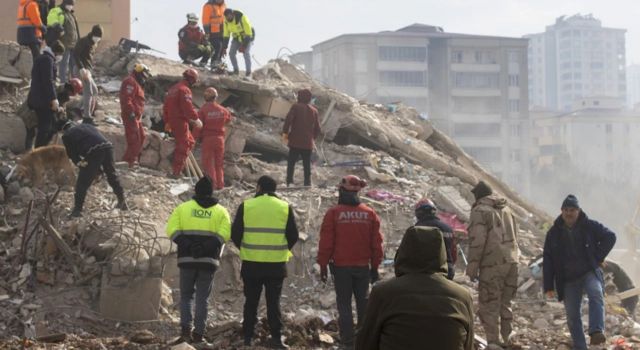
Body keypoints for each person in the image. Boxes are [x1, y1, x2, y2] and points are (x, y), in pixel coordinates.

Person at [355, 225, 474, 350]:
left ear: (403, 253)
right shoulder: (462, 296)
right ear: (442, 254)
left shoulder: (383, 293)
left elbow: (365, 343)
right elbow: (468, 346)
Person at [231, 175, 299, 349]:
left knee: (251, 301)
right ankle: (276, 338)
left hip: (251, 264)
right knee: (273, 302)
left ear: (259, 187)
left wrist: (246, 248)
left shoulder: (246, 206)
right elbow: (293, 236)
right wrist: (281, 249)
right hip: (275, 265)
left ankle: (247, 337)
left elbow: (235, 234)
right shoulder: (285, 207)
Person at [317, 175, 383, 349]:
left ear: (342, 191)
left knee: (344, 305)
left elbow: (326, 243)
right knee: (363, 305)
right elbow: (377, 245)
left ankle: (348, 342)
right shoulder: (369, 213)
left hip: (341, 268)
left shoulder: (333, 213)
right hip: (362, 268)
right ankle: (363, 341)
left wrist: (323, 265)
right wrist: (375, 267)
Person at [543, 195, 616, 349]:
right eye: (566, 210)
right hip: (568, 279)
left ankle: (596, 331)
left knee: (596, 293)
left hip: (589, 272)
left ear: (578, 211)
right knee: (572, 315)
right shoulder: (554, 233)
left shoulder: (589, 225)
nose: (569, 213)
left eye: (572, 210)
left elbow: (610, 236)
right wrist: (548, 286)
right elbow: (548, 259)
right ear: (561, 211)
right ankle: (580, 346)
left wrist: (597, 257)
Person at [166, 175, 231, 347]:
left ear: (196, 190)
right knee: (203, 298)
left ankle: (185, 332)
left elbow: (171, 230)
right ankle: (198, 335)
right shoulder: (221, 211)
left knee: (186, 296)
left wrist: (189, 245)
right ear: (212, 192)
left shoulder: (183, 208)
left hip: (187, 259)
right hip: (208, 261)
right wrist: (204, 248)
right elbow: (224, 234)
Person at [465, 181, 519, 349]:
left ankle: (493, 342)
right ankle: (507, 338)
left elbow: (478, 241)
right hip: (512, 262)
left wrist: (472, 267)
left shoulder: (480, 211)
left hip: (492, 264)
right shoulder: (507, 209)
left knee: (489, 303)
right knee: (505, 302)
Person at [61, 121, 128, 217]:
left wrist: (80, 164)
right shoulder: (87, 126)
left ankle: (77, 211)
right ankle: (122, 201)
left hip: (94, 151)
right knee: (112, 175)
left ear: (64, 131)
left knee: (82, 183)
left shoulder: (67, 135)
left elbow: (72, 154)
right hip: (108, 147)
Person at [20, 77, 82, 152]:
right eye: (70, 92)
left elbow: (62, 111)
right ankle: (32, 153)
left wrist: (62, 115)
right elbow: (47, 104)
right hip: (32, 111)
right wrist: (57, 109)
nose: (70, 95)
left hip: (42, 114)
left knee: (50, 130)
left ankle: (38, 151)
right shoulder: (53, 89)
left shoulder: (63, 95)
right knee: (33, 131)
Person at [163, 68, 201, 178]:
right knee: (184, 144)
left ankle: (177, 163)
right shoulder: (185, 90)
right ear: (193, 80)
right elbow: (187, 107)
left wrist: (167, 121)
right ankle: (176, 172)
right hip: (180, 121)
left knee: (190, 141)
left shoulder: (172, 89)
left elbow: (165, 106)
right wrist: (196, 118)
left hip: (172, 120)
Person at [27, 40, 65, 148]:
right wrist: (53, 99)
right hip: (42, 101)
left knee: (52, 125)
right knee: (45, 128)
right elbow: (48, 81)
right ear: (56, 53)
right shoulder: (47, 60)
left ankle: (43, 150)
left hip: (39, 98)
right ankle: (39, 153)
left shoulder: (43, 58)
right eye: (60, 55)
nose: (60, 58)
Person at [193, 87, 231, 190]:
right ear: (216, 97)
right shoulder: (223, 110)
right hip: (220, 140)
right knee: (219, 163)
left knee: (208, 163)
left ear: (205, 97)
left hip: (208, 139)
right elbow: (228, 120)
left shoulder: (203, 110)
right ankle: (220, 185)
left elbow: (198, 126)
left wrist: (193, 139)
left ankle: (212, 186)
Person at [281, 89, 321, 187]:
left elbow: (288, 121)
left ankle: (290, 182)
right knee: (307, 164)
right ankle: (307, 183)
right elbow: (318, 129)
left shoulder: (296, 106)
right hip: (308, 144)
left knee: (291, 163)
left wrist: (285, 134)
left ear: (300, 97)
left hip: (295, 141)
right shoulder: (314, 111)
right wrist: (312, 138)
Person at [413, 198, 457, 280]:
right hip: (447, 272)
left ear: (418, 213)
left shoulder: (415, 230)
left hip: (422, 274)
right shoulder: (448, 229)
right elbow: (453, 253)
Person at [120, 63, 151, 168]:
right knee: (134, 139)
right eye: (144, 75)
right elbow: (126, 99)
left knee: (141, 137)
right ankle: (129, 162)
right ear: (139, 72)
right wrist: (131, 113)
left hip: (136, 117)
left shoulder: (136, 83)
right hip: (130, 115)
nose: (145, 78)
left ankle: (130, 161)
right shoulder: (130, 82)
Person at [46, 0, 79, 82]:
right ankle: (62, 83)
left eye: (72, 5)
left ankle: (74, 83)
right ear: (65, 3)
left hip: (73, 44)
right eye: (69, 4)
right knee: (63, 64)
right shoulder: (57, 10)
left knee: (74, 65)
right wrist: (59, 29)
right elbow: (51, 20)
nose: (71, 6)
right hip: (64, 43)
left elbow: (75, 30)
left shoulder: (70, 14)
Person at [222, 8, 254, 76]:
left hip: (247, 37)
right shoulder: (226, 22)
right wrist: (224, 48)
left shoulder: (242, 18)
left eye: (230, 15)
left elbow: (249, 33)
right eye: (227, 16)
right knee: (231, 53)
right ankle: (236, 70)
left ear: (233, 14)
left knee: (246, 53)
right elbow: (226, 35)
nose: (228, 17)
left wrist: (243, 46)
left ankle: (248, 72)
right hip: (236, 38)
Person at [202, 0, 226, 67]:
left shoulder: (224, 5)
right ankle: (213, 62)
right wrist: (207, 32)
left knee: (222, 47)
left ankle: (218, 62)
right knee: (217, 46)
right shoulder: (208, 5)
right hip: (212, 32)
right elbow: (205, 20)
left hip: (222, 31)